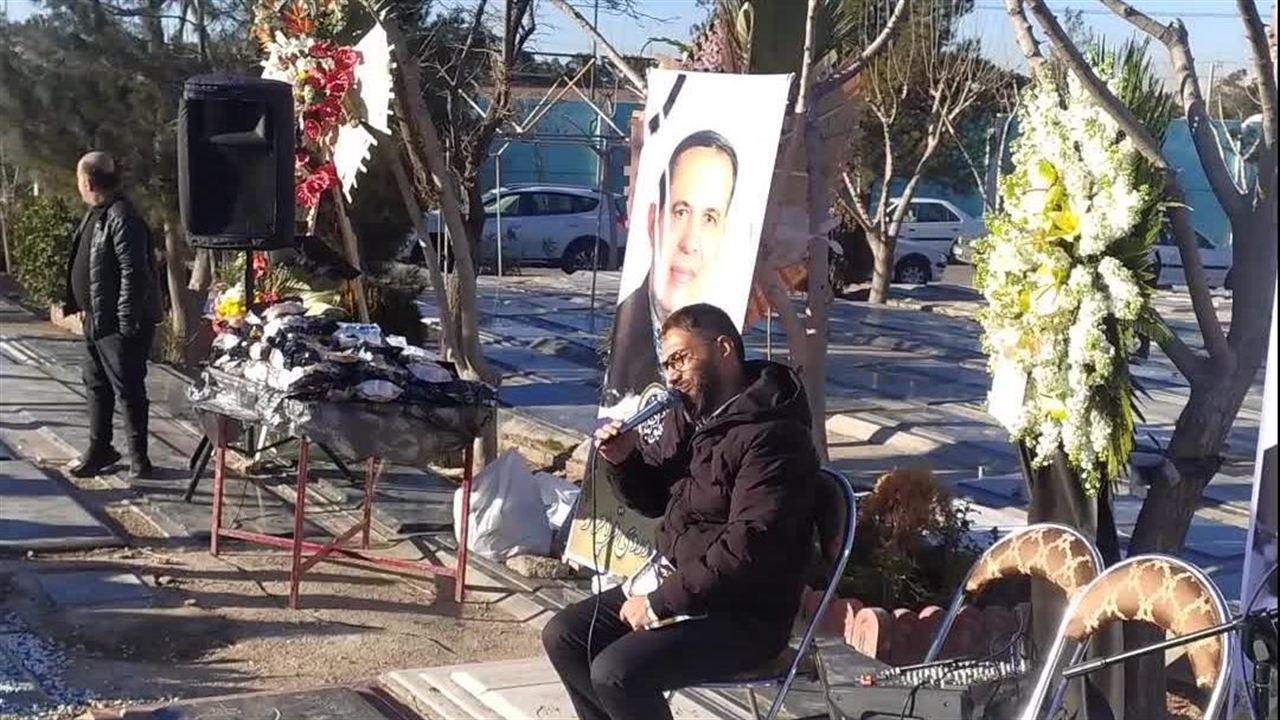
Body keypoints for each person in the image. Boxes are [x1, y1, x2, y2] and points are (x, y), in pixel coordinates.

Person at [543, 303, 819, 720]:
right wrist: (625, 460)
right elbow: (655, 501)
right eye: (667, 364)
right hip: (685, 585)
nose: (671, 375)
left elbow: (749, 547)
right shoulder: (691, 417)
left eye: (680, 359)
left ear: (723, 349)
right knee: (566, 637)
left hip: (745, 612)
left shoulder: (774, 435)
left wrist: (658, 603)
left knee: (617, 673)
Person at [602, 131, 739, 408]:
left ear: (724, 235)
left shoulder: (725, 341)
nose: (689, 243)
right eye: (681, 212)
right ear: (653, 220)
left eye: (709, 218)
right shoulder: (623, 337)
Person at [62, 151, 162, 479]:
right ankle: (100, 448)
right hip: (96, 318)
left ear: (88, 182)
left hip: (119, 323)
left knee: (128, 387)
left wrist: (125, 321)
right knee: (95, 383)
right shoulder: (98, 214)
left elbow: (135, 272)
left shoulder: (122, 216)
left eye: (79, 179)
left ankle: (139, 459)